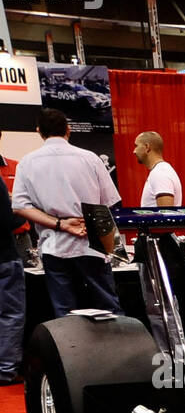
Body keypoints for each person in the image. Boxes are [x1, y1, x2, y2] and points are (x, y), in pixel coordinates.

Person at [12, 108, 121, 317]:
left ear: (39, 132)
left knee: (65, 313)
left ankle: (72, 350)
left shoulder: (27, 162)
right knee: (108, 308)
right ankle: (117, 348)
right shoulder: (90, 158)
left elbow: (19, 206)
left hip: (54, 245)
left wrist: (60, 224)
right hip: (92, 244)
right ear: (68, 130)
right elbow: (108, 203)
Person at [0, 151, 25, 385]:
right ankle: (6, 370)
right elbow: (7, 219)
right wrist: (22, 213)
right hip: (4, 254)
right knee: (10, 313)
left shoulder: (16, 166)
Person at [132, 130, 182, 208]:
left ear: (147, 147)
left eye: (136, 146)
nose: (134, 151)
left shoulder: (161, 173)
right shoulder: (159, 171)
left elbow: (166, 215)